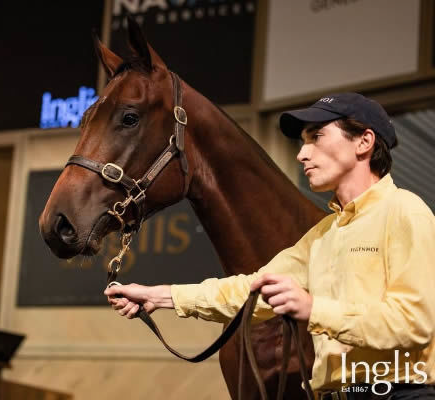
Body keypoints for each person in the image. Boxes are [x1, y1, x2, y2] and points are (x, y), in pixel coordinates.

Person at [104, 93, 435, 399]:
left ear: (364, 142)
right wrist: (159, 296)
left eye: (317, 137)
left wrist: (312, 309)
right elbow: (250, 290)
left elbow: (414, 324)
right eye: (303, 142)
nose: (303, 153)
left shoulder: (405, 212)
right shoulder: (323, 235)